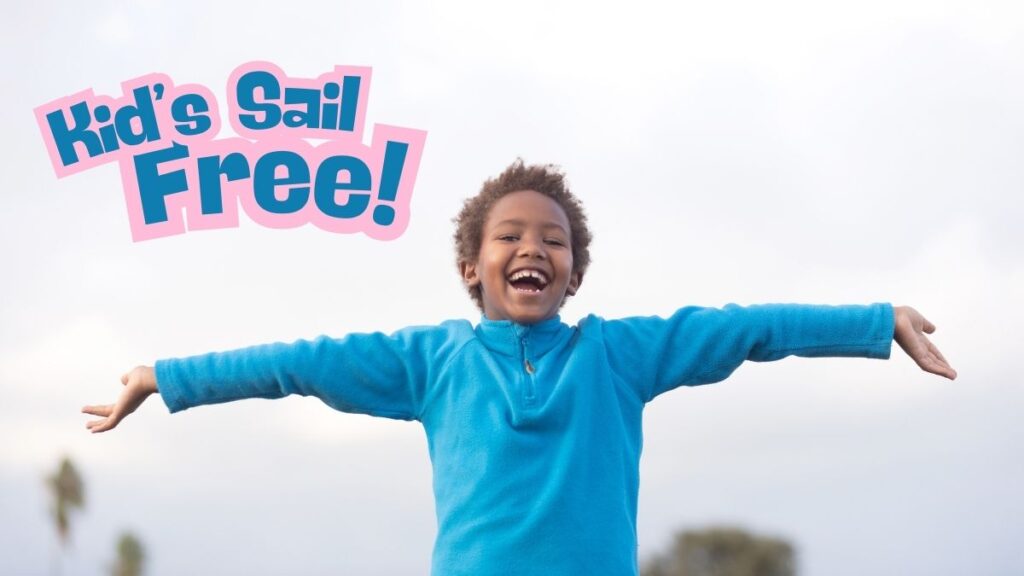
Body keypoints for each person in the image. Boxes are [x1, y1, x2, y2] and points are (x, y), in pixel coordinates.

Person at [83, 159, 956, 576]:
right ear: (473, 265)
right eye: (510, 236)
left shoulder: (619, 355)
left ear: (574, 272)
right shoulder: (428, 362)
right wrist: (164, 375)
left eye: (554, 241)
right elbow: (295, 365)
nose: (532, 248)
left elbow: (745, 330)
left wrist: (876, 321)